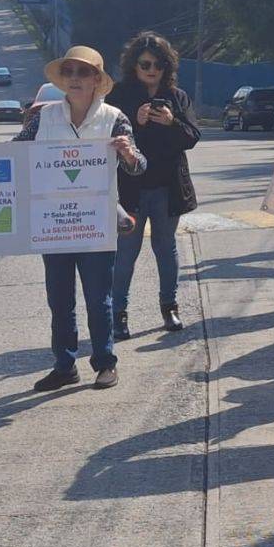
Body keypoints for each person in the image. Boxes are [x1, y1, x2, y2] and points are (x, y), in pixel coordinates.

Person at [0, 46, 146, 391]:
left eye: (82, 73)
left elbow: (139, 165)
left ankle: (105, 362)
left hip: (95, 222)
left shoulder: (114, 117)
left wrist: (128, 154)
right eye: (68, 72)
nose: (74, 79)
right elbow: (12, 154)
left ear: (97, 80)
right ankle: (64, 364)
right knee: (59, 298)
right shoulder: (44, 117)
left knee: (99, 298)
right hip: (53, 222)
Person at [105, 32, 200, 339]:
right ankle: (118, 314)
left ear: (167, 66)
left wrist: (171, 121)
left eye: (158, 64)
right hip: (130, 189)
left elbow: (193, 137)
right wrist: (135, 121)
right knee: (126, 253)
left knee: (166, 248)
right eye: (145, 63)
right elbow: (108, 137)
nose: (151, 69)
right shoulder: (119, 96)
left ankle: (169, 307)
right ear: (134, 64)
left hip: (168, 188)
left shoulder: (177, 96)